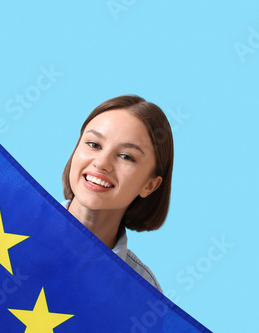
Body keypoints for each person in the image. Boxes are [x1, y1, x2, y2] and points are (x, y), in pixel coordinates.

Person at [61, 95, 174, 292]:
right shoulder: (8, 220)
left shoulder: (143, 293)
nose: (102, 163)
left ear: (149, 185)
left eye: (126, 156)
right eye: (94, 144)